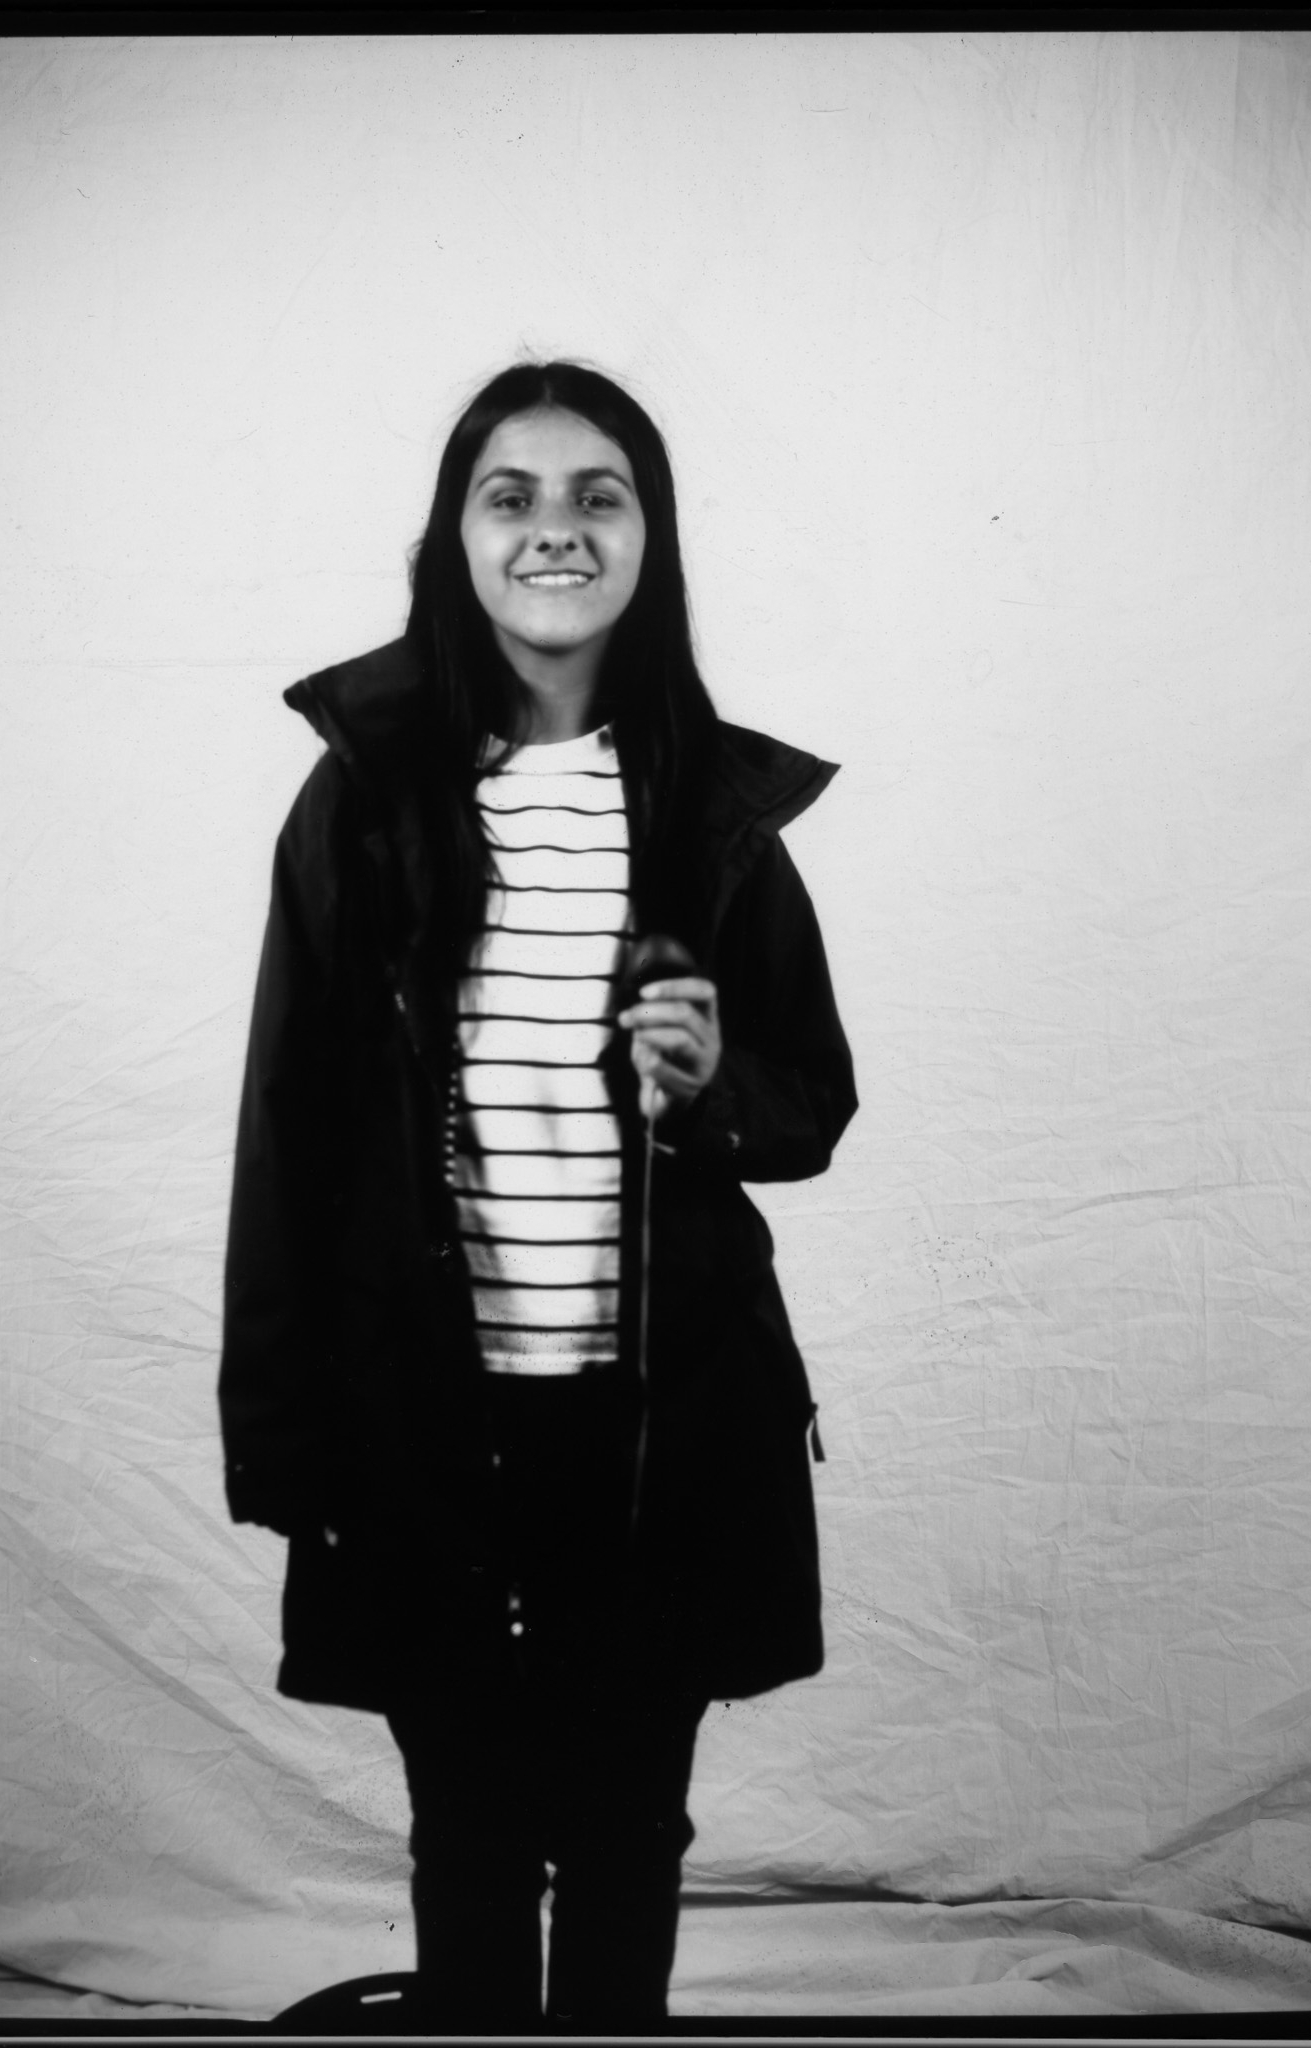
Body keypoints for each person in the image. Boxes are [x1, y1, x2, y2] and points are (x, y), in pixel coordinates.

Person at [218, 361, 856, 2030]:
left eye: (600, 495)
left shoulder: (715, 815)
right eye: (512, 494)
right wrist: (285, 1441)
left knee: (632, 1827)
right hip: (429, 1418)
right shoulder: (364, 801)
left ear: (650, 539)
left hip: (658, 1425)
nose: (555, 529)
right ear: (454, 536)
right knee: (473, 1833)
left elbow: (811, 1109)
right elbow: (284, 1130)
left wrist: (714, 1089)